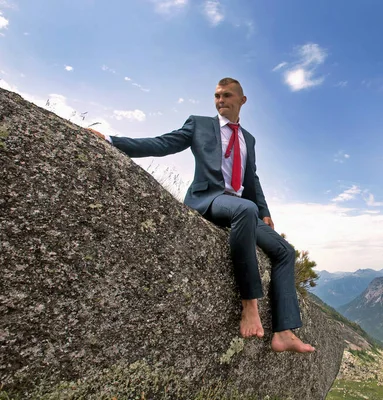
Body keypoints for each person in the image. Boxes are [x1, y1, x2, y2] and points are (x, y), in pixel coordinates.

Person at [89, 77, 315, 353]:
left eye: (227, 96)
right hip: (210, 200)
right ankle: (249, 305)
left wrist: (265, 211)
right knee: (246, 209)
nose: (221, 101)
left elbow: (251, 179)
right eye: (217, 96)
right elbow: (162, 144)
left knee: (284, 252)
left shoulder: (248, 139)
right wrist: (113, 141)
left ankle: (283, 332)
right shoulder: (199, 124)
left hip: (242, 208)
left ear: (242, 100)